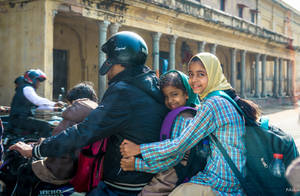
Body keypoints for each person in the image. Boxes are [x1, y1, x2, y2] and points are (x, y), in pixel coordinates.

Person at [10, 31, 168, 196]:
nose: (108, 72)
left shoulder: (124, 92)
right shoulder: (151, 84)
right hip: (143, 177)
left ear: (121, 62)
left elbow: (84, 131)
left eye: (110, 62)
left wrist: (36, 150)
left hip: (122, 185)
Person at [120, 52, 261, 196]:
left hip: (223, 180)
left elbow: (179, 145)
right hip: (231, 176)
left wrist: (139, 149)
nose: (193, 80)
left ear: (213, 74)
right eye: (191, 74)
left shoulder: (213, 104)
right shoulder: (221, 99)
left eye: (201, 74)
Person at [10, 82, 99, 196]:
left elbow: (60, 143)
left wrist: (34, 149)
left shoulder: (72, 115)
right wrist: (41, 143)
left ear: (76, 101)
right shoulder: (96, 112)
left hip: (60, 171)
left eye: (70, 103)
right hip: (80, 168)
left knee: (24, 170)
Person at [121, 70, 200, 196]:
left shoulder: (185, 119)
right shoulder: (179, 115)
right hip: (167, 175)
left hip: (171, 178)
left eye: (174, 94)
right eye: (166, 97)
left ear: (186, 94)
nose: (170, 100)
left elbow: (172, 158)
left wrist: (137, 164)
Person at [8, 69, 63, 137]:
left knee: (44, 124)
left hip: (20, 119)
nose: (39, 83)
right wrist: (54, 103)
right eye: (38, 81)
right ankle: (43, 146)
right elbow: (37, 101)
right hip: (19, 119)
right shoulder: (27, 88)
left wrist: (55, 109)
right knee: (45, 126)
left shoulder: (26, 88)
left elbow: (37, 107)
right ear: (32, 80)